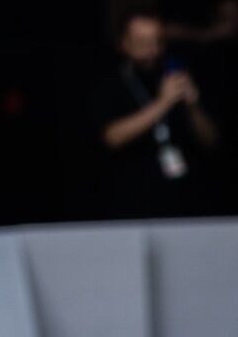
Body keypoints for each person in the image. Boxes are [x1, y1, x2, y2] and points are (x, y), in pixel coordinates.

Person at [90, 11, 223, 219]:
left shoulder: (176, 74)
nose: (152, 48)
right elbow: (112, 137)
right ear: (124, 43)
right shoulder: (109, 84)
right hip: (132, 201)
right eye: (142, 41)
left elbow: (211, 140)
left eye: (157, 40)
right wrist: (163, 102)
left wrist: (192, 104)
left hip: (185, 199)